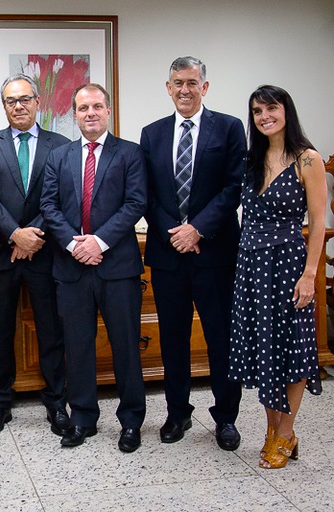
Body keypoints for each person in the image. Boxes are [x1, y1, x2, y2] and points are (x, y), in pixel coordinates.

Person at [140, 56, 245, 451]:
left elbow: (233, 188)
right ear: (168, 87)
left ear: (205, 86)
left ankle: (226, 417)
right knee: (173, 338)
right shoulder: (151, 134)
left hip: (215, 253)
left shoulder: (230, 128)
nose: (185, 89)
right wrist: (176, 234)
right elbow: (145, 194)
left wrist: (197, 228)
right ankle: (177, 412)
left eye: (192, 82)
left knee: (221, 338)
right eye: (177, 83)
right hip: (169, 256)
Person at [40, 83, 147, 452]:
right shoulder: (60, 156)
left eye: (97, 106)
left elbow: (135, 204)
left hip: (117, 267)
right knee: (78, 346)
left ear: (108, 110)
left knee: (125, 347)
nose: (90, 113)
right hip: (71, 269)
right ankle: (83, 417)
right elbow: (49, 206)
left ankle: (131, 420)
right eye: (83, 108)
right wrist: (75, 244)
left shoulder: (130, 153)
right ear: (74, 113)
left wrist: (97, 242)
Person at [229, 85, 326, 469]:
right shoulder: (249, 161)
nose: (264, 116)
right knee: (263, 350)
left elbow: (318, 223)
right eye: (257, 111)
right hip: (251, 267)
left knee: (294, 351)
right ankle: (272, 431)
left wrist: (309, 274)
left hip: (289, 265)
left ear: (286, 111)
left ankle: (286, 432)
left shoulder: (307, 159)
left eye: (271, 108)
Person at [0, 74, 71, 437]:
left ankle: (57, 403)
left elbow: (61, 197)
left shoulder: (60, 144)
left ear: (37, 102)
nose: (19, 106)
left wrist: (33, 236)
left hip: (46, 254)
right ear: (4, 106)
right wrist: (15, 233)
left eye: (25, 99)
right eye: (11, 101)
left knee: (50, 330)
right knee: (0, 331)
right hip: (2, 252)